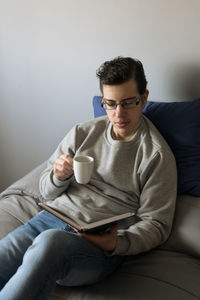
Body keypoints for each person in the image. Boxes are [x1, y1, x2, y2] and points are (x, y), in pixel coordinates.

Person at [0, 56, 177, 299]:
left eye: (128, 102)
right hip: (48, 220)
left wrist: (116, 243)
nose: (119, 114)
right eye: (110, 104)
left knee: (51, 244)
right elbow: (44, 191)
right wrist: (57, 176)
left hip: (96, 245)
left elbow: (157, 225)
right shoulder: (83, 132)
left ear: (144, 98)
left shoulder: (156, 155)